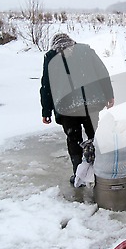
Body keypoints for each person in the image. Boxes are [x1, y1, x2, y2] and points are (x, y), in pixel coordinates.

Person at [40, 33, 114, 185]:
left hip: (67, 107)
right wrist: (109, 95)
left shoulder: (51, 57)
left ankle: (78, 174)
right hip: (90, 103)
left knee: (74, 140)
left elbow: (46, 86)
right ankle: (99, 173)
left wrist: (46, 111)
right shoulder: (85, 51)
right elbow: (102, 73)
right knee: (95, 136)